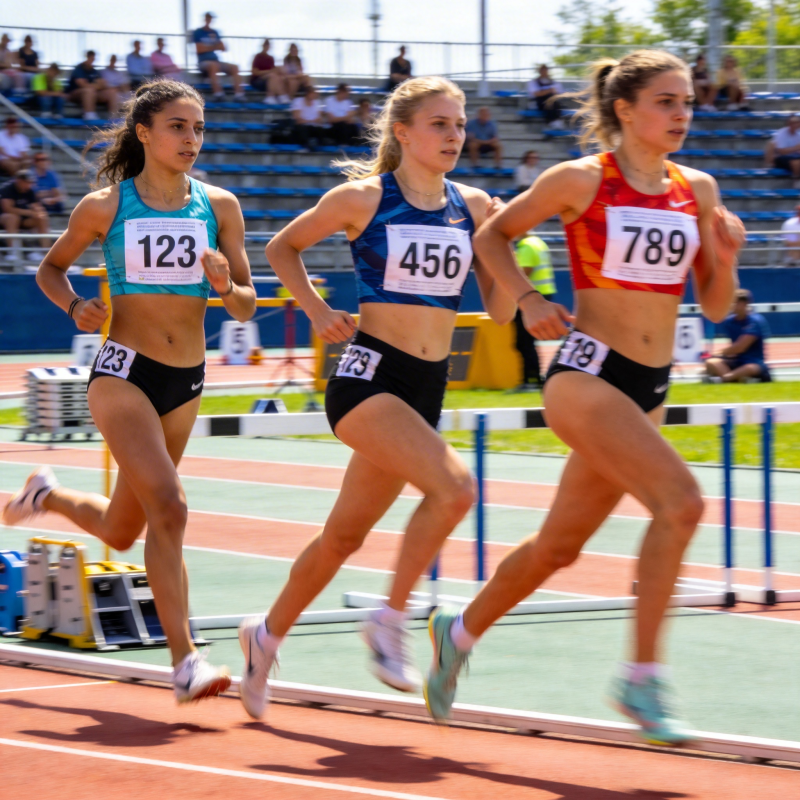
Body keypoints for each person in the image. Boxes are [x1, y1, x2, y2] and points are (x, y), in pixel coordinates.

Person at [423, 50, 745, 747]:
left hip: (649, 388)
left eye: (687, 102)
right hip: (587, 373)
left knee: (559, 548)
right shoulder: (580, 180)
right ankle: (642, 677)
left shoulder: (700, 189)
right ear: (625, 110)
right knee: (682, 503)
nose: (681, 114)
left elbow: (716, 307)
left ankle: (460, 629)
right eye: (666, 101)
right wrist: (530, 297)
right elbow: (493, 234)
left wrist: (727, 254)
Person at [235, 75, 515, 721]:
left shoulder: (472, 205)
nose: (453, 135)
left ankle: (265, 636)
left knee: (343, 537)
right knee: (456, 489)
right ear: (404, 132)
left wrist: (500, 245)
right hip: (369, 377)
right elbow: (283, 247)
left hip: (427, 387)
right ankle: (391, 619)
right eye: (439, 124)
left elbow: (499, 313)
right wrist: (314, 309)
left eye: (459, 123)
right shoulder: (364, 197)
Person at [2, 79, 256, 702]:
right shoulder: (106, 206)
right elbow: (49, 267)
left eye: (198, 128)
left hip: (188, 380)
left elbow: (247, 307)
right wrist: (74, 306)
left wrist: (225, 283)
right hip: (124, 371)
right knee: (170, 507)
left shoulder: (219, 206)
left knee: (122, 529)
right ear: (145, 133)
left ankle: (49, 495)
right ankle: (185, 660)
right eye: (178, 126)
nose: (191, 139)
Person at [512, 232, 555, 390]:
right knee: (527, 341)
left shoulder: (527, 246)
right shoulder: (538, 242)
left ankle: (530, 380)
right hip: (540, 294)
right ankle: (534, 380)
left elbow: (522, 275)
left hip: (529, 298)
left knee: (524, 342)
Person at [705, 289, 770, 383]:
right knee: (711, 362)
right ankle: (737, 379)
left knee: (750, 368)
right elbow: (733, 350)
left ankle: (725, 378)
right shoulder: (729, 322)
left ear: (744, 304)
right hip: (737, 361)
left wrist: (717, 353)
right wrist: (717, 357)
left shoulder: (755, 321)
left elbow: (740, 347)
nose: (731, 305)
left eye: (734, 302)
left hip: (754, 362)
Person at [0, 167, 49, 261]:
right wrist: (30, 212)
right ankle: (12, 251)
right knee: (12, 218)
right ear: (19, 180)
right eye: (27, 182)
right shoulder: (7, 189)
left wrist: (39, 212)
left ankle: (45, 251)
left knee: (42, 218)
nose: (29, 185)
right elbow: (7, 208)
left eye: (30, 182)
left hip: (22, 219)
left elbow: (36, 206)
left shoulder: (29, 191)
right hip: (4, 218)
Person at [193, 12, 244, 100]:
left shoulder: (215, 32)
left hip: (216, 61)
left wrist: (208, 46)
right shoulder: (198, 32)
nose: (209, 20)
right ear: (205, 19)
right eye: (208, 18)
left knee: (235, 67)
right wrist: (215, 46)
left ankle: (239, 94)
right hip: (203, 62)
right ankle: (218, 94)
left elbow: (223, 48)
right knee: (213, 66)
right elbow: (199, 49)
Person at [67, 50, 119, 120]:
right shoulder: (79, 69)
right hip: (76, 94)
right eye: (90, 58)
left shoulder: (94, 71)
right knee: (89, 91)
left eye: (93, 58)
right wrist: (96, 85)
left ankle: (114, 117)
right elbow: (82, 85)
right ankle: (89, 115)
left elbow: (102, 84)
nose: (92, 60)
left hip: (93, 93)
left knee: (112, 92)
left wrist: (95, 85)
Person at [765, 114, 800, 187]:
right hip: (781, 158)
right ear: (789, 123)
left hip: (794, 156)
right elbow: (781, 151)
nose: (796, 124)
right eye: (793, 122)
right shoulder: (781, 133)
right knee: (797, 163)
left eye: (797, 122)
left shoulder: (798, 134)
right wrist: (795, 148)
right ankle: (797, 182)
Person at [250, 39, 289, 105]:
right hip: (258, 80)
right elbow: (255, 72)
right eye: (266, 45)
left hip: (269, 79)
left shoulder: (271, 58)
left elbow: (273, 70)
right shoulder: (258, 57)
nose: (267, 47)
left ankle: (272, 97)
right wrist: (269, 71)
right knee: (272, 75)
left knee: (279, 77)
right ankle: (280, 95)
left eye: (268, 45)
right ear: (263, 46)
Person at [527, 64, 564, 128]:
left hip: (554, 102)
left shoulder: (554, 82)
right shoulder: (533, 82)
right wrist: (549, 91)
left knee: (553, 102)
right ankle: (552, 122)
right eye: (542, 70)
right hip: (540, 103)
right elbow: (536, 94)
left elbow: (560, 93)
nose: (544, 72)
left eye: (546, 70)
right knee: (549, 100)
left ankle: (555, 121)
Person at [290, 85, 326, 149]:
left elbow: (320, 120)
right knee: (302, 129)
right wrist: (312, 121)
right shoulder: (298, 101)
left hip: (313, 127)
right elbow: (298, 120)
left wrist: (308, 120)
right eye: (312, 93)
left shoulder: (318, 103)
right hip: (302, 127)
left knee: (321, 130)